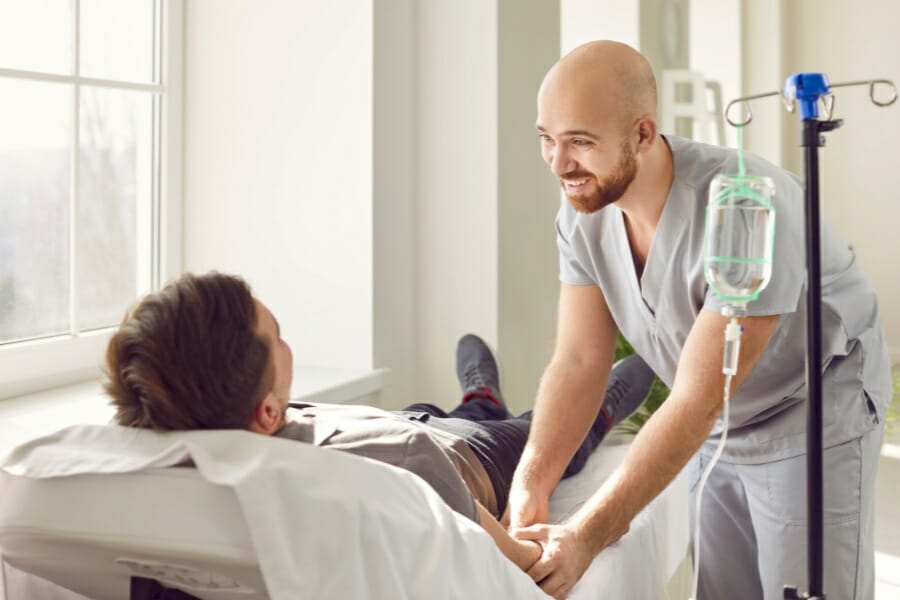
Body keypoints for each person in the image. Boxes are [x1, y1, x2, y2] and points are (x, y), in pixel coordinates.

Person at [506, 39, 892, 600]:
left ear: (642, 133)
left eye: (581, 143)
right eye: (548, 140)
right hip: (720, 421)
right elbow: (580, 359)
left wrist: (584, 536)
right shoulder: (583, 212)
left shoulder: (745, 208)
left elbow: (697, 397)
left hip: (810, 408)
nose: (560, 164)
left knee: (801, 587)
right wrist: (531, 483)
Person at [104, 271, 654, 576]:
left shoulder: (207, 438)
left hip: (395, 425)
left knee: (451, 414)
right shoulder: (404, 471)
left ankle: (480, 394)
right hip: (469, 453)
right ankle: (594, 403)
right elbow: (520, 559)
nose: (289, 344)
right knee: (558, 430)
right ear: (267, 414)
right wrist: (586, 535)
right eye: (280, 337)